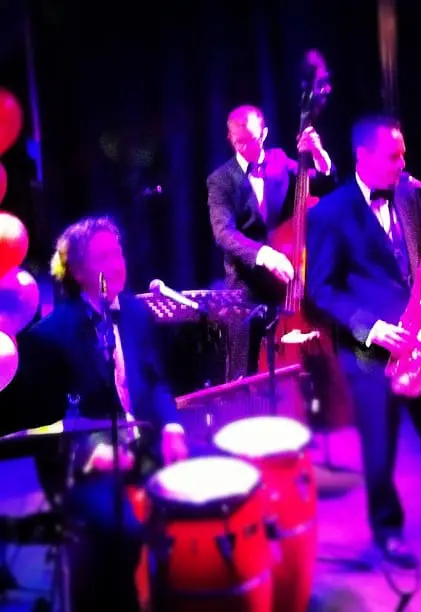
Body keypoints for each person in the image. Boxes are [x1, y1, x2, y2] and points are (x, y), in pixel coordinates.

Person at [305, 114, 421, 567]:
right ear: (364, 155)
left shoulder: (408, 195)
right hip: (372, 350)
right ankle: (388, 531)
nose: (403, 163)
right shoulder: (329, 213)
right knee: (380, 445)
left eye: (403, 153)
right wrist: (370, 328)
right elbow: (321, 291)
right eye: (393, 156)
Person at [10, 216, 189, 612]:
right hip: (83, 467)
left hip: (142, 448)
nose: (118, 263)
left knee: (212, 493)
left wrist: (173, 428)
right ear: (77, 271)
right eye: (104, 256)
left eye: (118, 252)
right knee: (122, 530)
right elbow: (47, 424)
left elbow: (156, 381)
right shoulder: (49, 336)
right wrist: (92, 453)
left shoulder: (136, 313)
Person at [206, 104, 336, 378]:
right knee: (244, 374)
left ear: (264, 134)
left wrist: (317, 153)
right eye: (238, 141)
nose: (243, 148)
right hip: (246, 290)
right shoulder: (220, 180)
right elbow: (224, 233)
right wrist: (265, 254)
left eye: (250, 140)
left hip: (287, 286)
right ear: (230, 138)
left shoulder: (279, 161)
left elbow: (321, 184)